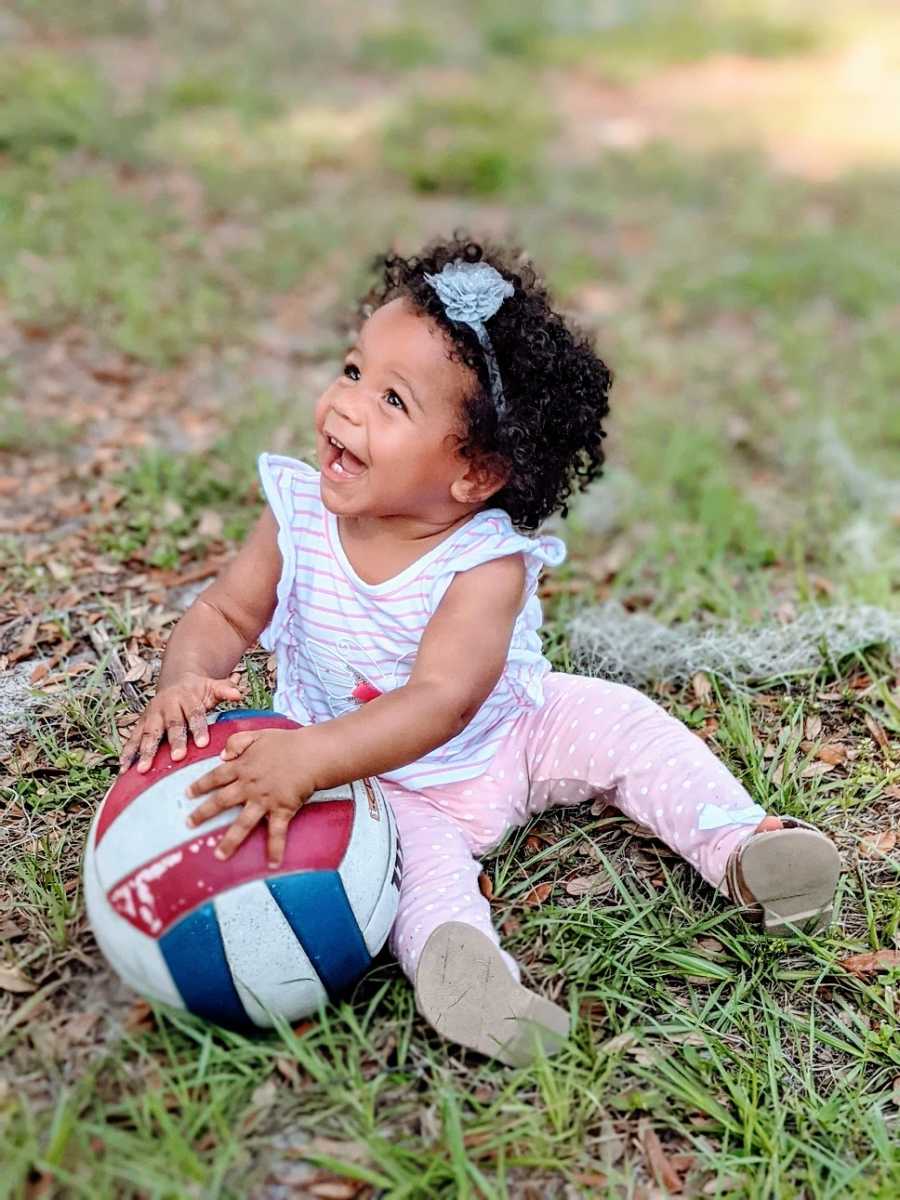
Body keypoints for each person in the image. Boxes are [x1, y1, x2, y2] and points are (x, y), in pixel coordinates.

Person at [118, 234, 840, 1067]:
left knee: (628, 726)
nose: (346, 406)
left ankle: (744, 847)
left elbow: (443, 698)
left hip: (509, 733)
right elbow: (224, 611)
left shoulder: (484, 562)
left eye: (393, 402)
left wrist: (308, 755)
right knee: (414, 882)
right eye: (353, 371)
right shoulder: (298, 513)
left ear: (475, 473)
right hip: (375, 782)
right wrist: (185, 679)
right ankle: (470, 979)